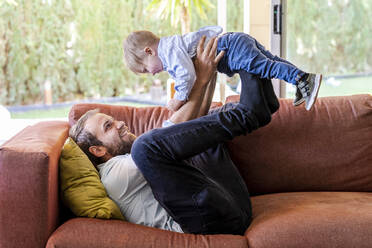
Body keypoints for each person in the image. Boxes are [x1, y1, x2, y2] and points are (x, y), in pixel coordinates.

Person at [70, 36, 278, 235]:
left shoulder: (137, 159)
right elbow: (165, 135)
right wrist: (200, 79)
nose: (120, 124)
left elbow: (189, 126)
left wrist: (210, 68)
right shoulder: (113, 175)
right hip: (209, 224)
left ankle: (261, 101)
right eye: (109, 126)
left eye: (114, 120)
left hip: (233, 204)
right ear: (98, 150)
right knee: (146, 146)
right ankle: (249, 114)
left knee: (197, 129)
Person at [123, 25, 322, 111]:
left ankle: (303, 79)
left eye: (146, 69)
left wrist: (179, 98)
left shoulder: (170, 52)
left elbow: (188, 76)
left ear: (149, 51)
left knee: (264, 67)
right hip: (235, 40)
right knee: (271, 60)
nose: (152, 73)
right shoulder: (172, 48)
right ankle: (302, 81)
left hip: (231, 47)